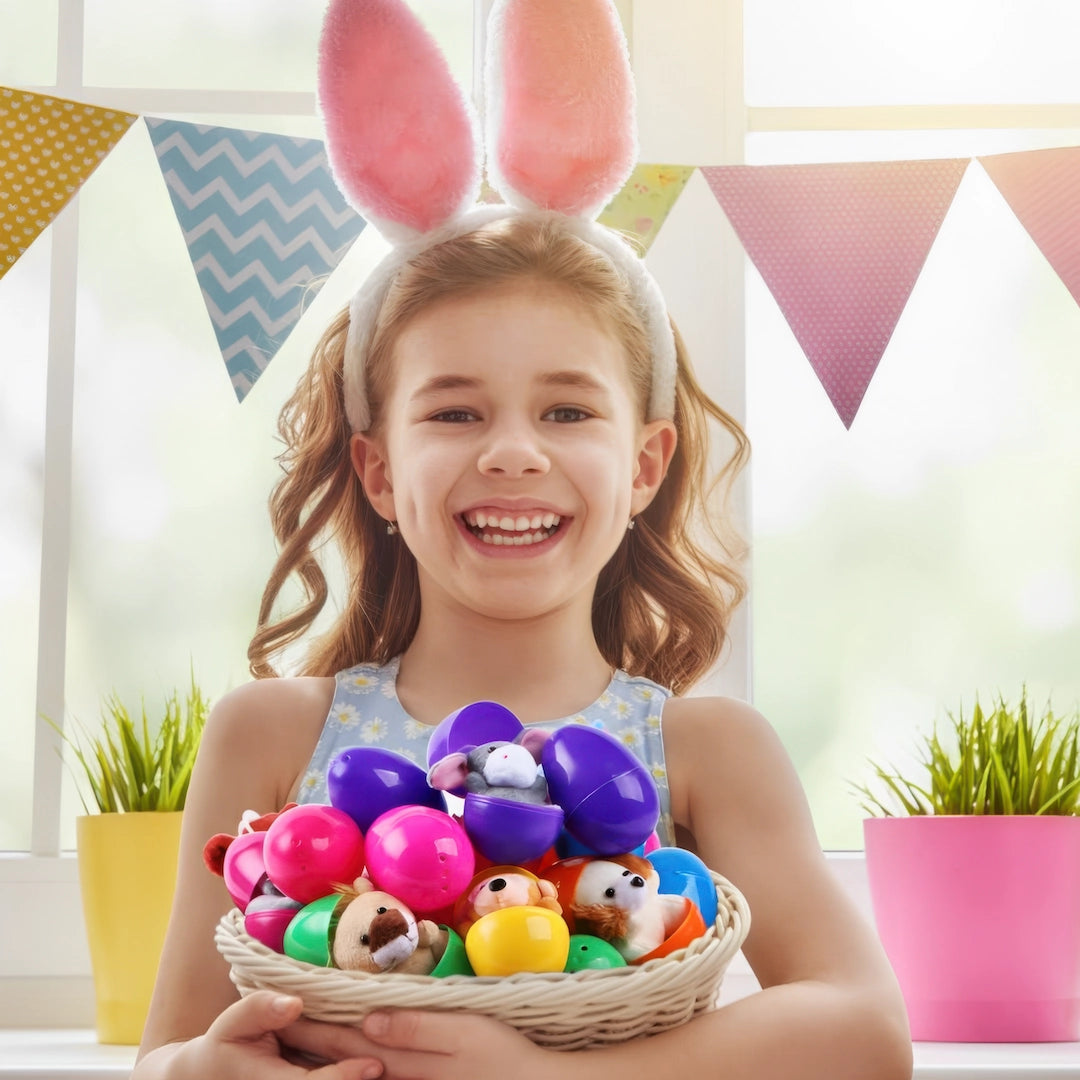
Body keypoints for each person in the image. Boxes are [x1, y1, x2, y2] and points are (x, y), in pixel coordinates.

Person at [133, 2, 912, 1078]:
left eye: (566, 412)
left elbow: (864, 1030)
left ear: (643, 466)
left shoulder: (707, 752)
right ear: (379, 473)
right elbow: (171, 1051)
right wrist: (193, 1071)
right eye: (454, 413)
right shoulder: (270, 738)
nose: (511, 453)